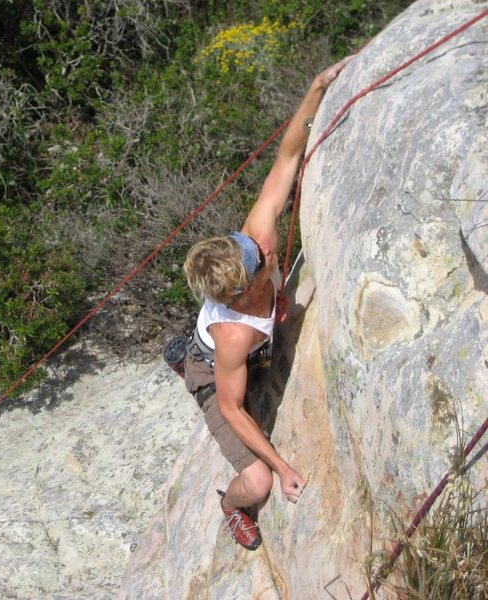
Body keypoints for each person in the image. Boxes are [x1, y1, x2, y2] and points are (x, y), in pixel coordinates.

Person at [181, 56, 353, 551]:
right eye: (260, 263)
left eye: (252, 249)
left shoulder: (255, 242)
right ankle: (228, 507)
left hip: (239, 342)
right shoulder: (234, 334)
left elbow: (285, 160)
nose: (267, 249)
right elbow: (233, 408)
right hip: (214, 370)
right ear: (243, 289)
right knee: (255, 483)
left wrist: (316, 88)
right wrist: (281, 467)